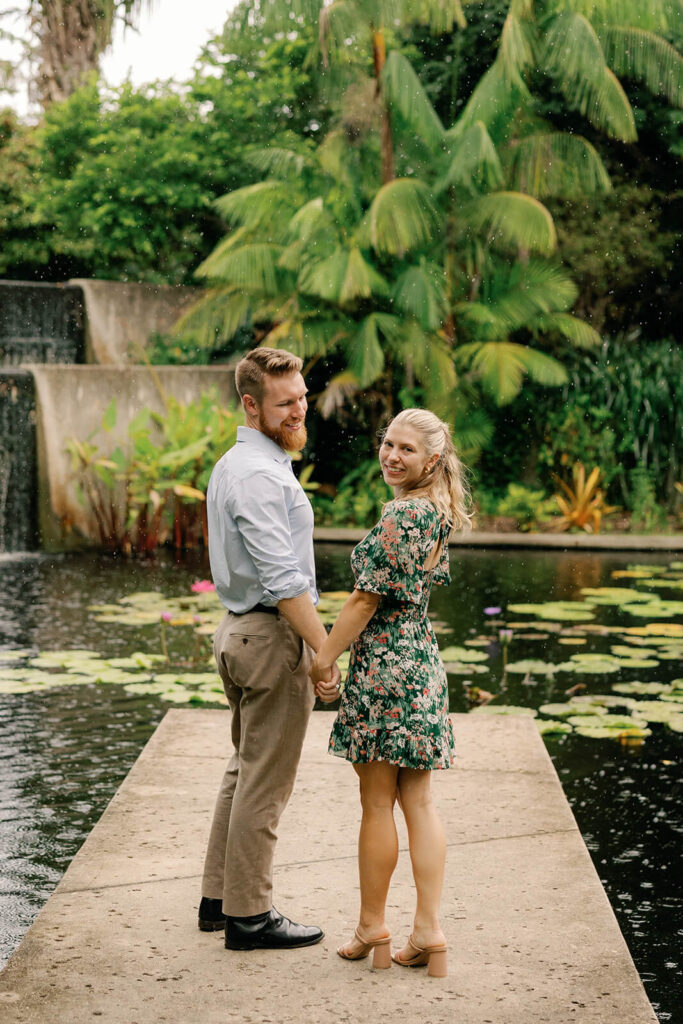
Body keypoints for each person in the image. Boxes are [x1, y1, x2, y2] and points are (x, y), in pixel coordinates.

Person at [310, 408, 471, 978]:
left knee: (378, 803)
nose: (391, 455)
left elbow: (364, 601)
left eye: (406, 448)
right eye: (387, 444)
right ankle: (428, 931)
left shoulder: (404, 514)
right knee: (420, 803)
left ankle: (371, 926)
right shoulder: (437, 513)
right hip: (422, 663)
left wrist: (323, 659)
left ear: (431, 460)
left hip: (384, 669)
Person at [198, 347, 340, 951]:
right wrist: (325, 651)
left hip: (241, 630)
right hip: (267, 637)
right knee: (265, 781)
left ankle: (217, 899)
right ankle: (250, 917)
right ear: (251, 404)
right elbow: (285, 580)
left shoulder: (242, 462)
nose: (299, 409)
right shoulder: (258, 473)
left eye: (302, 397)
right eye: (286, 403)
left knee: (243, 768)